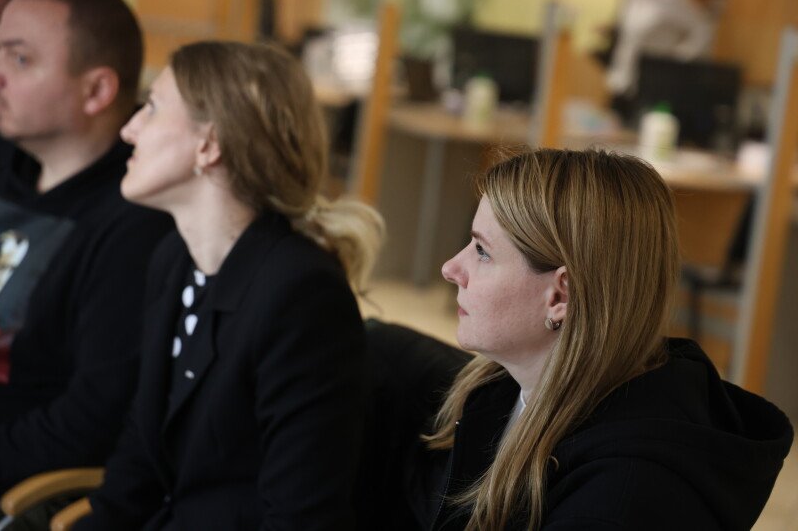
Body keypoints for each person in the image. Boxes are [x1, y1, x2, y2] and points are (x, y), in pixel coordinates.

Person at [74, 40, 384, 530]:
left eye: (151, 108)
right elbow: (140, 453)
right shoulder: (174, 260)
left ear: (210, 144)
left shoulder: (301, 295)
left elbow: (301, 519)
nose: (129, 128)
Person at [410, 149, 792, 530]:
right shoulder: (502, 385)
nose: (450, 268)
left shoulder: (621, 501)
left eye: (482, 252)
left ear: (560, 296)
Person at [0, 0, 171, 497]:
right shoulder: (8, 159)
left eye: (20, 58)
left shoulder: (136, 224)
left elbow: (89, 423)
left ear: (96, 90)